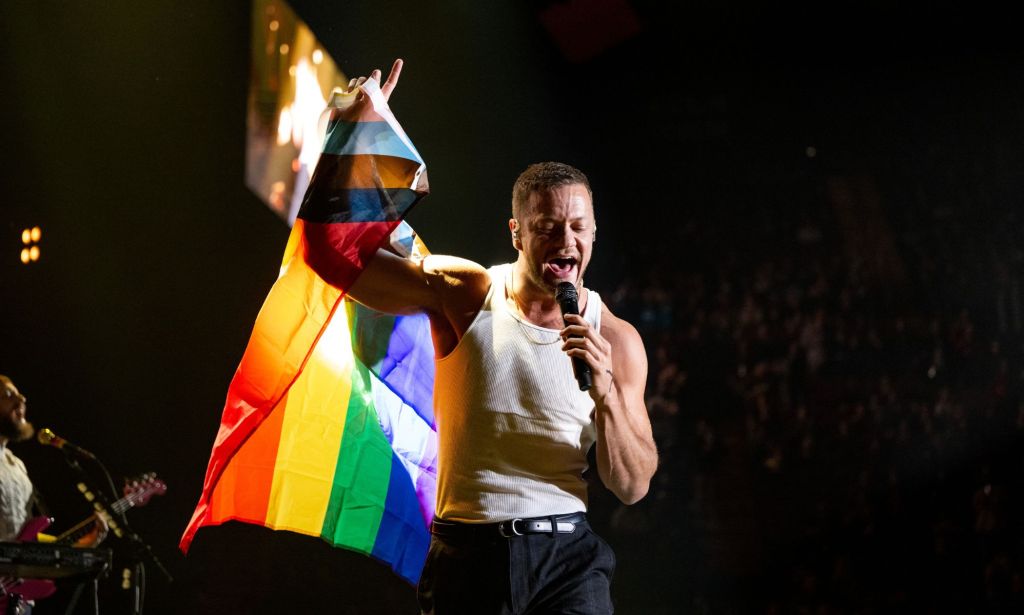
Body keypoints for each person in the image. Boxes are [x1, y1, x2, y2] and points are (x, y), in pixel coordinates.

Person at [345, 61, 659, 614]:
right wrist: (356, 138)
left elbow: (632, 485)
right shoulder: (466, 292)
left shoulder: (618, 339)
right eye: (547, 227)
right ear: (516, 232)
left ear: (593, 230)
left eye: (578, 226)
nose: (566, 239)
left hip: (570, 560)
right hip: (469, 555)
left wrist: (607, 393)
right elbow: (344, 263)